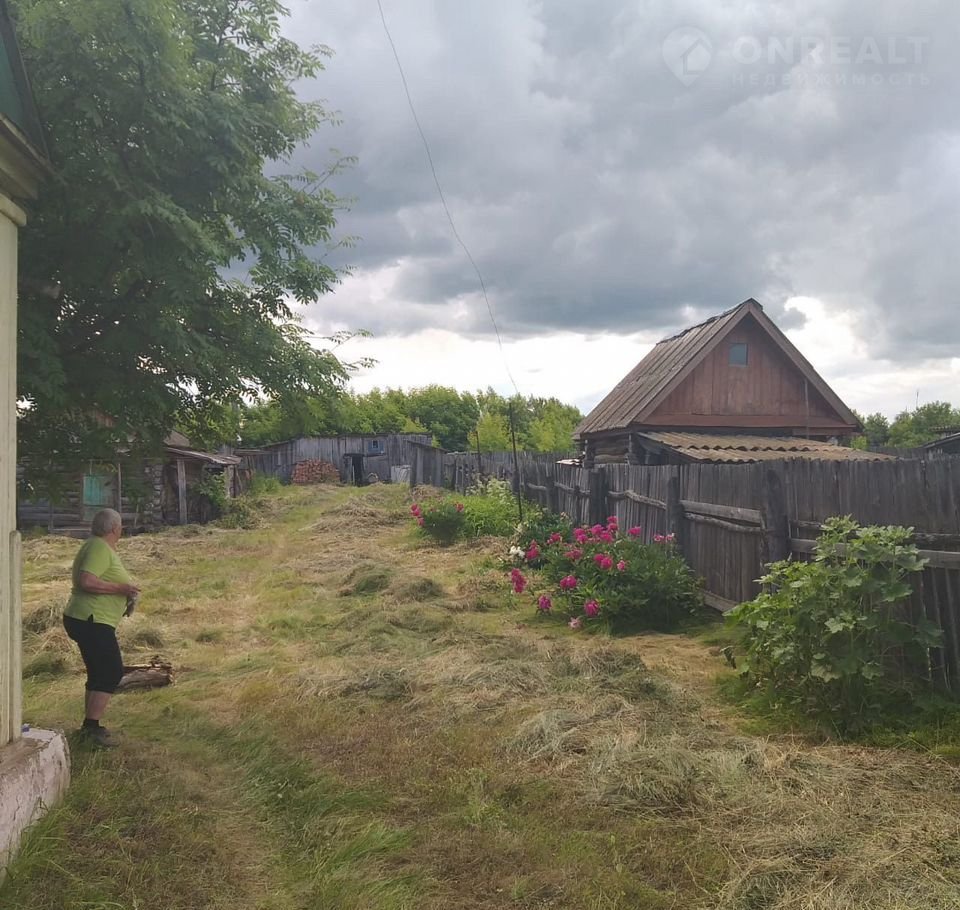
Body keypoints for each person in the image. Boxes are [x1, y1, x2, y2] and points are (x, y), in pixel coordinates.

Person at [62, 508, 140, 747]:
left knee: (98, 673)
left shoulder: (95, 545)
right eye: (120, 526)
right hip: (91, 620)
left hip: (88, 618)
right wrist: (122, 589)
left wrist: (124, 601)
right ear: (115, 528)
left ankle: (89, 728)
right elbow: (87, 581)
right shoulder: (98, 547)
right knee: (111, 672)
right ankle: (91, 728)